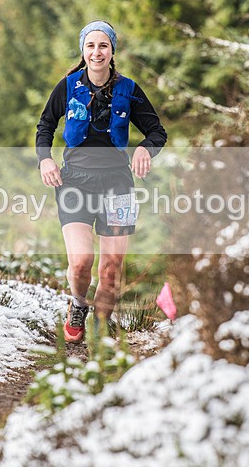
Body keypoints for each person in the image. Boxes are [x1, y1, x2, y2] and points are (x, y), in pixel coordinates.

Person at [36, 20, 167, 343]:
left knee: (110, 270)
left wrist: (144, 151)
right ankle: (79, 304)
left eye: (103, 46)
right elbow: (45, 126)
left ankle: (100, 329)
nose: (97, 52)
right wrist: (46, 159)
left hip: (119, 184)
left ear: (112, 51)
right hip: (75, 183)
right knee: (81, 263)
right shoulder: (67, 87)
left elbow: (157, 133)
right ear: (83, 50)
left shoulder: (130, 90)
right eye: (91, 46)